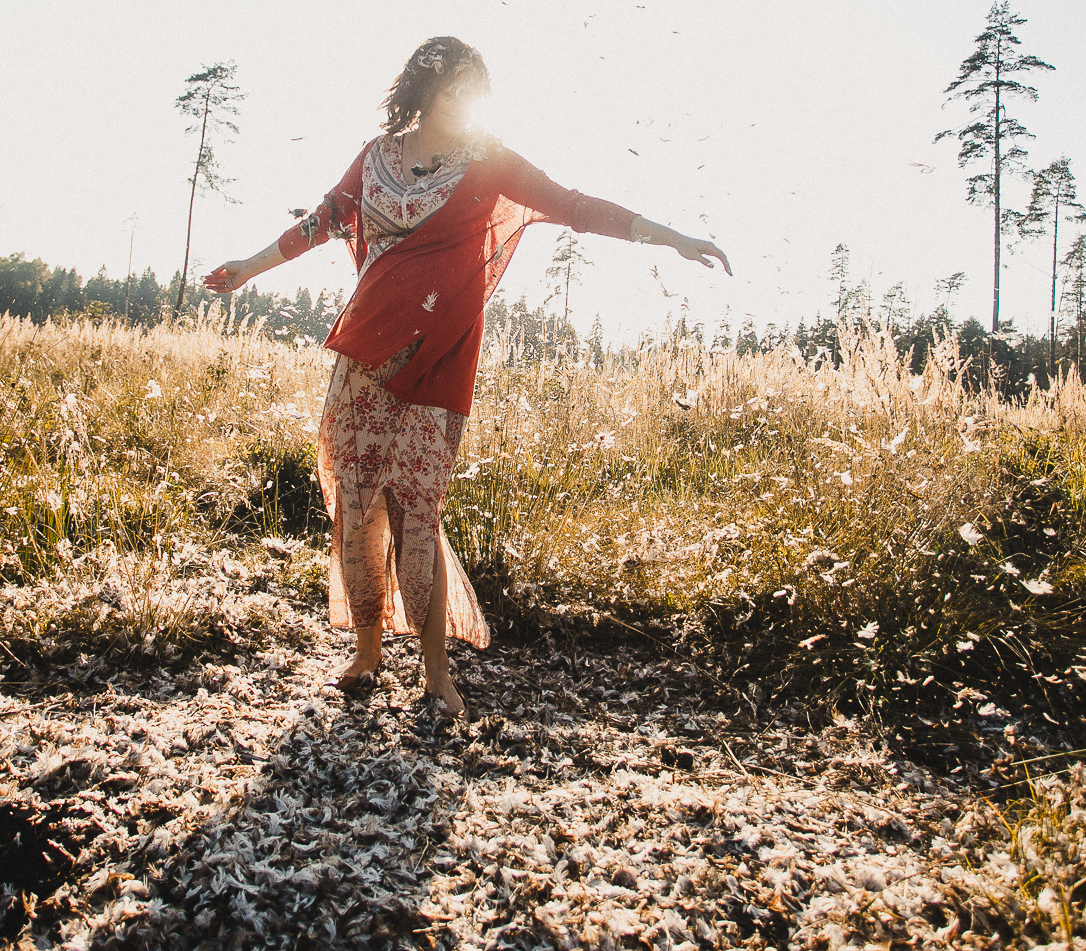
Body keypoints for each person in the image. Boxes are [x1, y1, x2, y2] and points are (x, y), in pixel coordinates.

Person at [205, 36, 729, 720]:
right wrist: (246, 267)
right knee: (357, 509)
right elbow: (322, 221)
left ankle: (436, 674)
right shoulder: (376, 158)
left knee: (417, 515)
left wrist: (673, 237)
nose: (465, 102)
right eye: (455, 87)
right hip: (362, 356)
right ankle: (366, 652)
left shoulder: (487, 162)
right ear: (424, 89)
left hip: (436, 365)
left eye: (474, 90)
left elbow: (574, 204)